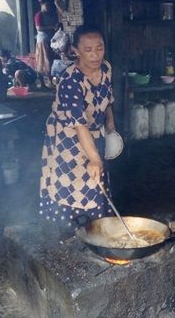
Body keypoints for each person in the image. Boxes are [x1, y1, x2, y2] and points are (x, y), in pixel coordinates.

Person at [39, 25, 117, 231]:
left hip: (95, 134)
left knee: (96, 180)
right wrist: (94, 158)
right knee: (72, 182)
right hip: (68, 138)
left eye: (99, 48)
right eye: (88, 50)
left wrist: (110, 125)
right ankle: (70, 231)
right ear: (75, 50)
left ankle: (96, 225)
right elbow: (79, 125)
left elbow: (108, 99)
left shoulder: (106, 69)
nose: (95, 55)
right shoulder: (70, 81)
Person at [34, 0, 60, 86]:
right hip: (43, 40)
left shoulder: (51, 14)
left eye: (49, 5)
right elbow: (39, 28)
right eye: (47, 5)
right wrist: (52, 27)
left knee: (52, 60)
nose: (48, 7)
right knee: (45, 62)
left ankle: (51, 81)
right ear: (42, 5)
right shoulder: (39, 15)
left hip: (52, 40)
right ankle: (45, 82)